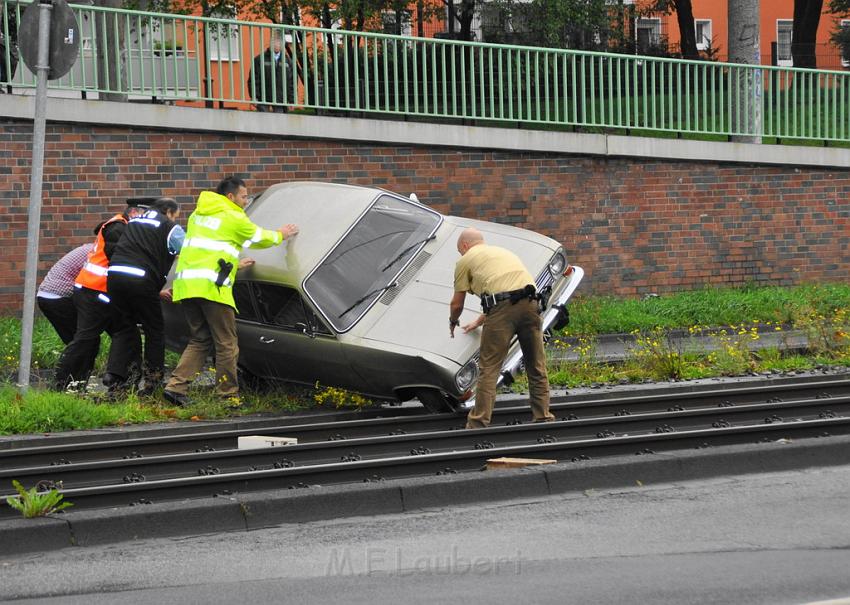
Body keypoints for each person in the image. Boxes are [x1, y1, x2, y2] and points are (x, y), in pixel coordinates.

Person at [162, 176, 299, 407]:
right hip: (213, 288)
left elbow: (206, 251)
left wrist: (234, 264)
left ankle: (175, 387)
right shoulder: (233, 216)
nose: (246, 201)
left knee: (200, 339)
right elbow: (258, 238)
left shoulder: (198, 215)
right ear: (231, 196)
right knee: (226, 343)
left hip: (187, 286)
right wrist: (282, 233)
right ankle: (228, 396)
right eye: (244, 196)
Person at [448, 227, 555, 429]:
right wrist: (480, 321)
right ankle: (543, 417)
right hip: (531, 304)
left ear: (464, 246)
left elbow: (457, 304)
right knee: (536, 364)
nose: (462, 254)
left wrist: (453, 321)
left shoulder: (465, 260)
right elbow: (510, 293)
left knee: (489, 367)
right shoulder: (502, 252)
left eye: (460, 250)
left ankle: (478, 423)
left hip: (503, 310)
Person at [52, 200, 148, 392]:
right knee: (87, 339)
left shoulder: (121, 226)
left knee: (127, 333)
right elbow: (120, 260)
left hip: (101, 292)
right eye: (147, 217)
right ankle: (62, 384)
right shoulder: (117, 228)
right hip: (94, 293)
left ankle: (119, 383)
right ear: (135, 212)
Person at [105, 197, 185, 396]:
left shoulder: (135, 221)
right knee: (154, 330)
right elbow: (188, 250)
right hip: (141, 280)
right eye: (176, 216)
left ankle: (116, 377)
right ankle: (153, 383)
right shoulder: (168, 226)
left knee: (124, 328)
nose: (175, 220)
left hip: (115, 277)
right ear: (168, 211)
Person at [36, 243, 93, 344]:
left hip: (45, 295)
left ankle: (72, 359)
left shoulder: (89, 248)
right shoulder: (96, 253)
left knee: (75, 341)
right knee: (84, 341)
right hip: (59, 297)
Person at [248, 36, 292, 113]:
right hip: (263, 97)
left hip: (280, 99)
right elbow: (254, 79)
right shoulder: (259, 59)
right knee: (264, 122)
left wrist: (291, 100)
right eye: (274, 43)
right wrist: (254, 97)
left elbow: (292, 82)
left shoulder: (288, 61)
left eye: (279, 43)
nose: (276, 45)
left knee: (279, 122)